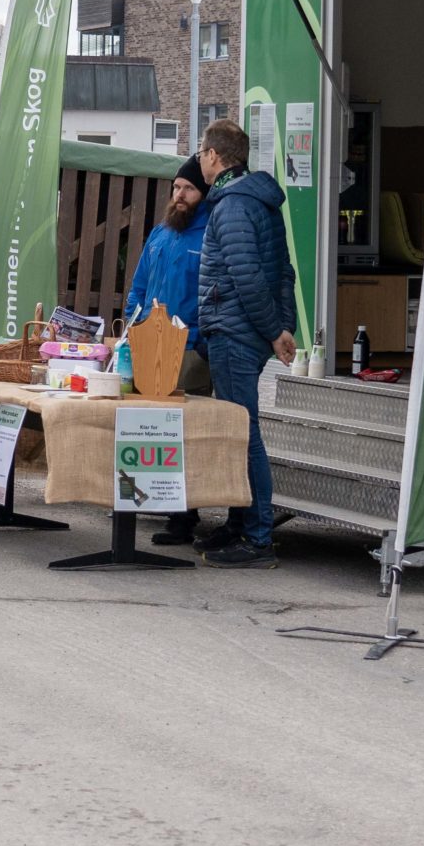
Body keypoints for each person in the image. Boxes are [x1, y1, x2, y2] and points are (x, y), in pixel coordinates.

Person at [191, 118, 295, 569]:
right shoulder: (259, 201)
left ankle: (256, 538)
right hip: (247, 329)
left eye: (201, 151)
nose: (199, 159)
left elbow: (246, 275)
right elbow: (283, 271)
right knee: (238, 432)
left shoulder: (232, 205)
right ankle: (239, 525)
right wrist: (281, 326)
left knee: (242, 433)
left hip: (235, 329)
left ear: (214, 156)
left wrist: (275, 331)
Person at [131, 158, 216, 545]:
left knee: (179, 433)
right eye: (177, 187)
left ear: (204, 194)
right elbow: (139, 287)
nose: (179, 196)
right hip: (148, 345)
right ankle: (143, 502)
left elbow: (214, 297)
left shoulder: (211, 237)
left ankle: (184, 517)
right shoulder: (161, 234)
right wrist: (134, 328)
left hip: (189, 349)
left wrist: (195, 338)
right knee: (148, 431)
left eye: (189, 189)